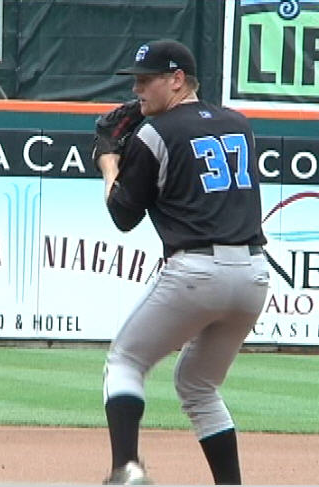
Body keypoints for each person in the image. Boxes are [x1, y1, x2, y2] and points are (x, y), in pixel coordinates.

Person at [94, 39, 270, 485]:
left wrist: (110, 163)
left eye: (146, 80)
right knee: (198, 385)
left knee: (125, 362)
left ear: (177, 80)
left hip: (196, 271)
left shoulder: (154, 134)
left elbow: (122, 215)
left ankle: (125, 470)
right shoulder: (239, 124)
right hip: (252, 276)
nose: (137, 90)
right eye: (135, 81)